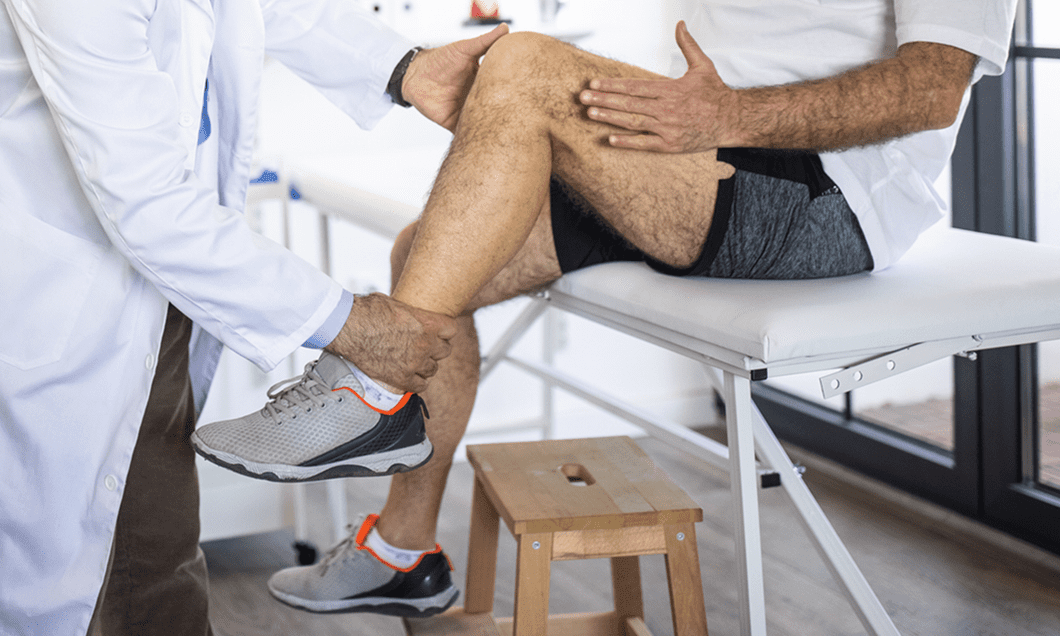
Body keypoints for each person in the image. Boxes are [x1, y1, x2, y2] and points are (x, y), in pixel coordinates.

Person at [191, 0, 1018, 620]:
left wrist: (725, 114)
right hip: (705, 160)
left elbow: (930, 91)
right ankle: (399, 552)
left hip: (827, 195)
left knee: (523, 65)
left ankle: (366, 388)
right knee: (426, 255)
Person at [0, 1, 511, 634]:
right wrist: (351, 323)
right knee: (56, 581)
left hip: (159, 306)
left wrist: (405, 68)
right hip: (64, 309)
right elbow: (146, 203)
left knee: (158, 559)